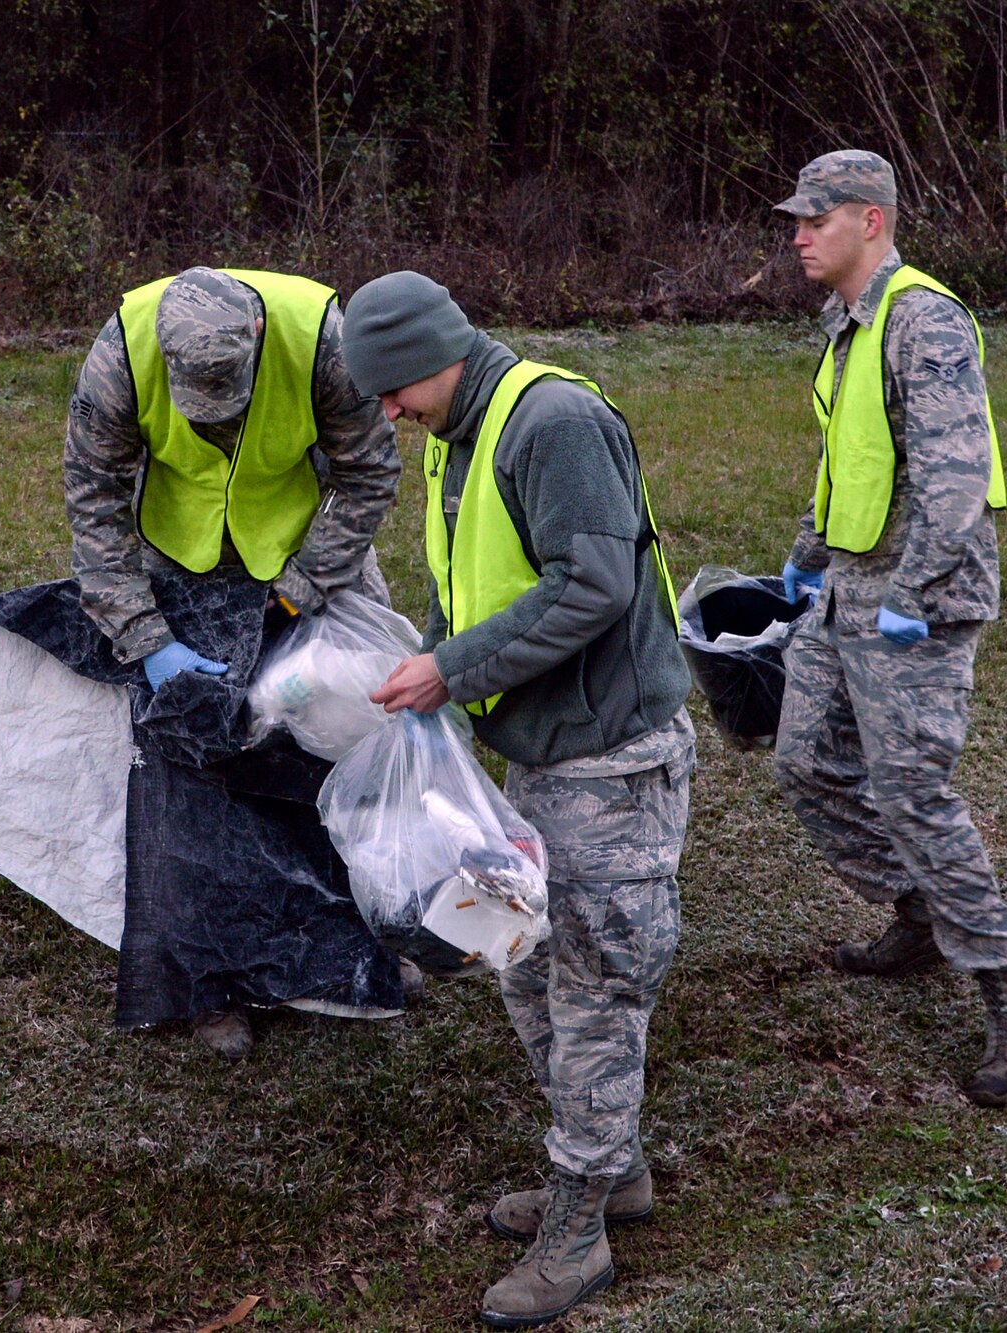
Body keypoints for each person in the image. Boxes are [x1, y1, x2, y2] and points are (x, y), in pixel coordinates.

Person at [345, 271, 694, 1328]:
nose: (386, 417)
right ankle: (610, 1164)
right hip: (534, 760)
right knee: (514, 960)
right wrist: (438, 663)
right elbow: (500, 586)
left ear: (423, 360)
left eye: (389, 394)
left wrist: (453, 667)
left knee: (589, 988)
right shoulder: (470, 431)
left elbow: (594, 585)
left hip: (608, 765)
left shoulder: (552, 422)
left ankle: (581, 1227)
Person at [770, 150, 1007, 1106]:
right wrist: (810, 556)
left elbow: (954, 475)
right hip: (850, 583)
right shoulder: (848, 323)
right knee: (805, 759)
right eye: (799, 221)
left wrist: (916, 594)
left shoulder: (922, 318)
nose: (799, 236)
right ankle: (919, 911)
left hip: (914, 602)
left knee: (912, 789)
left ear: (872, 222)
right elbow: (849, 455)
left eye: (817, 220)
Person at [64, 265, 405, 1057]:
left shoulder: (325, 340)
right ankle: (212, 977)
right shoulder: (119, 356)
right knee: (190, 759)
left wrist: (301, 589)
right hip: (175, 555)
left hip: (300, 547)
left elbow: (368, 472)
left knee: (348, 729)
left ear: (257, 336)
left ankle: (364, 939)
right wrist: (149, 642)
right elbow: (94, 502)